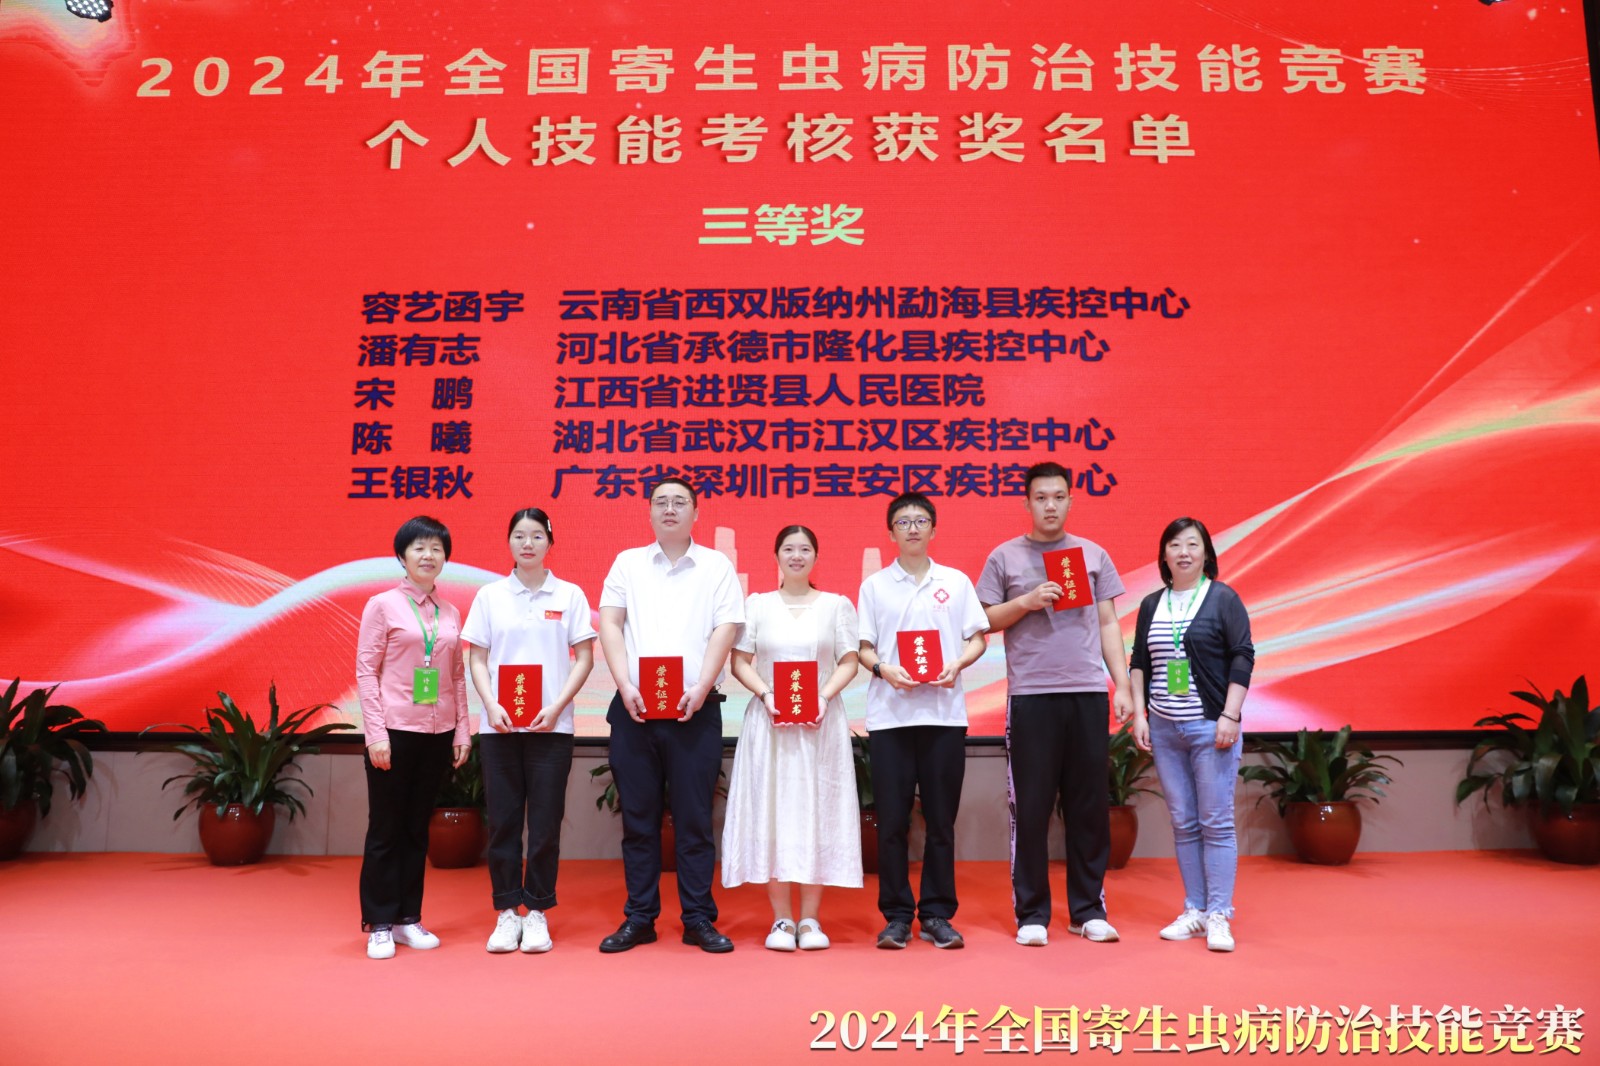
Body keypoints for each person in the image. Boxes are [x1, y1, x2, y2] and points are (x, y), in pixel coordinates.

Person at [977, 461, 1133, 947]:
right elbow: (984, 620)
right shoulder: (1004, 557)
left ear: (1070, 500)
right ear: (1027, 503)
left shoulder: (1093, 554)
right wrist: (1025, 602)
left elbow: (1108, 623)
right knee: (1032, 807)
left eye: (1058, 497)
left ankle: (1088, 910)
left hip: (1086, 692)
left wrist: (1122, 684)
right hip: (1031, 696)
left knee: (1088, 805)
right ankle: (1032, 913)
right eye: (1041, 497)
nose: (1050, 505)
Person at [596, 476, 745, 953]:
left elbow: (727, 626)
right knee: (638, 820)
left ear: (696, 513)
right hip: (636, 710)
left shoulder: (716, 565)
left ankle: (698, 918)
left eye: (680, 502)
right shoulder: (628, 563)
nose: (669, 509)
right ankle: (639, 918)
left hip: (694, 711)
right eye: (660, 501)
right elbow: (610, 623)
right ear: (649, 512)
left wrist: (702, 685)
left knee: (695, 820)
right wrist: (625, 683)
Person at [856, 492, 988, 950]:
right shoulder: (875, 586)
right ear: (890, 532)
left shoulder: (955, 581)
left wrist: (958, 663)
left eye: (920, 521)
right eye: (903, 522)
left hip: (944, 716)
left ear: (934, 529)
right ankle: (896, 916)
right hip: (890, 719)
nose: (912, 528)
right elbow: (864, 648)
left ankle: (936, 913)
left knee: (941, 822)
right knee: (892, 822)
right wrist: (883, 669)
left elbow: (977, 638)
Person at [722, 525, 863, 951]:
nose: (796, 556)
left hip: (820, 723)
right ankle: (782, 919)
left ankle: (811, 920)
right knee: (775, 812)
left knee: (818, 811)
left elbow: (849, 660)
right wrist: (766, 695)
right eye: (788, 549)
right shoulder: (758, 605)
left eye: (804, 549)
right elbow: (740, 661)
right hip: (770, 724)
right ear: (776, 556)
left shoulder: (836, 605)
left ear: (816, 557)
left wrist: (822, 697)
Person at [463, 507, 596, 954]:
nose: (527, 543)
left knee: (544, 825)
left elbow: (584, 657)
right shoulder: (490, 595)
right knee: (502, 823)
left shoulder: (570, 594)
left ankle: (537, 911)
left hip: (552, 729)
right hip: (499, 728)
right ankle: (506, 912)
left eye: (537, 535)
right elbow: (477, 658)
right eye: (519, 535)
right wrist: (491, 704)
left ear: (550, 542)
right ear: (509, 542)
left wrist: (557, 706)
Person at [1129, 517, 1254, 953]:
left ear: (1206, 554)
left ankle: (1219, 914)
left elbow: (1243, 656)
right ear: (1163, 555)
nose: (1184, 552)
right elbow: (1139, 661)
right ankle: (1195, 909)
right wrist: (1141, 714)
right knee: (1183, 822)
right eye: (1175, 545)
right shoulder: (1151, 604)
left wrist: (1230, 714)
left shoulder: (1223, 598)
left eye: (1193, 544)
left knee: (1215, 822)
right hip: (1165, 728)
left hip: (1210, 726)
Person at [355, 515, 471, 960]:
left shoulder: (450, 612)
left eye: (437, 548)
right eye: (419, 547)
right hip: (394, 731)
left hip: (437, 733)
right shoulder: (382, 605)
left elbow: (456, 677)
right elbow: (367, 672)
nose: (428, 555)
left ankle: (408, 918)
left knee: (416, 830)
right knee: (386, 828)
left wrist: (462, 730)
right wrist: (375, 733)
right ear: (402, 556)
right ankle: (379, 922)